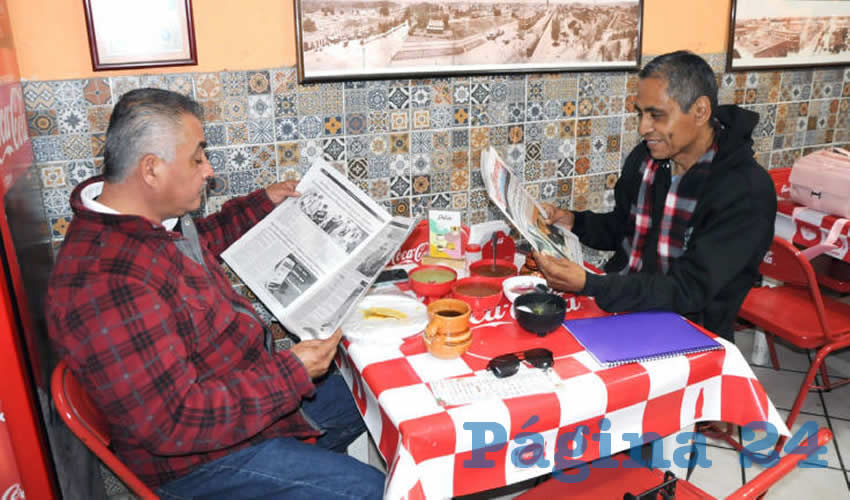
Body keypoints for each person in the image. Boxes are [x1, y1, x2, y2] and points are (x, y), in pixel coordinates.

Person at [46, 88, 384, 499]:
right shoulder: (103, 283)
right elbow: (175, 423)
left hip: (244, 406)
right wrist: (291, 372)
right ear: (151, 170)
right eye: (197, 158)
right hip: (200, 463)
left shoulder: (141, 217)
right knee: (379, 492)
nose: (208, 170)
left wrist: (261, 205)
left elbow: (197, 245)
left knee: (379, 387)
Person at [536, 51, 777, 341]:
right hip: (620, 307)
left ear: (700, 111)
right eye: (640, 113)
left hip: (686, 331)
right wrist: (573, 222)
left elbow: (689, 290)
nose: (643, 128)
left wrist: (592, 285)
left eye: (656, 115)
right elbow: (623, 228)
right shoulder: (647, 159)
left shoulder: (745, 191)